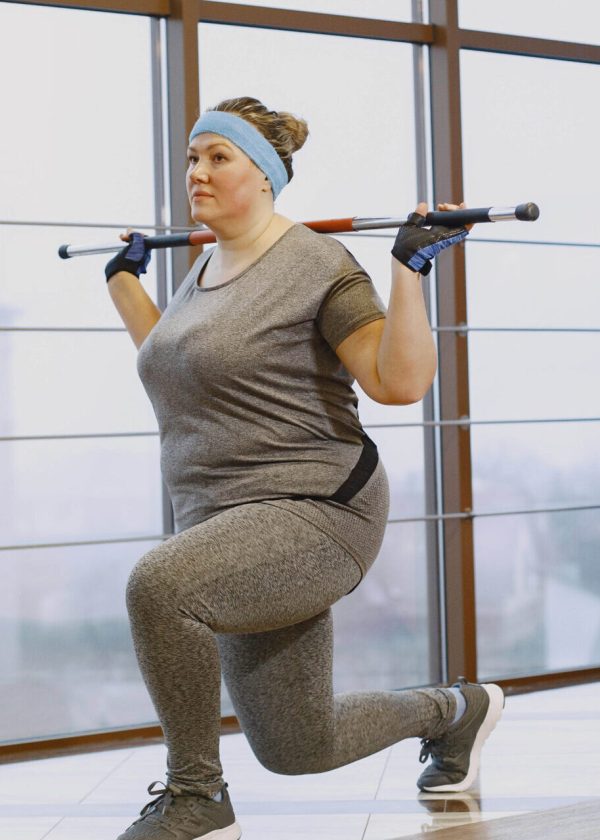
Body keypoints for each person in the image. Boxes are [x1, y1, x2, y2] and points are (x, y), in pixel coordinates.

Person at [105, 96, 504, 840]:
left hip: (317, 511)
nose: (196, 171)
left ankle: (197, 796)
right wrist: (122, 279)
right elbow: (175, 362)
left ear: (262, 174)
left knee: (159, 588)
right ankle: (457, 711)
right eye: (193, 157)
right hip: (229, 524)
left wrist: (408, 270)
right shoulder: (203, 269)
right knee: (299, 746)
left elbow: (398, 383)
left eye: (217, 157)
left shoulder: (316, 263)